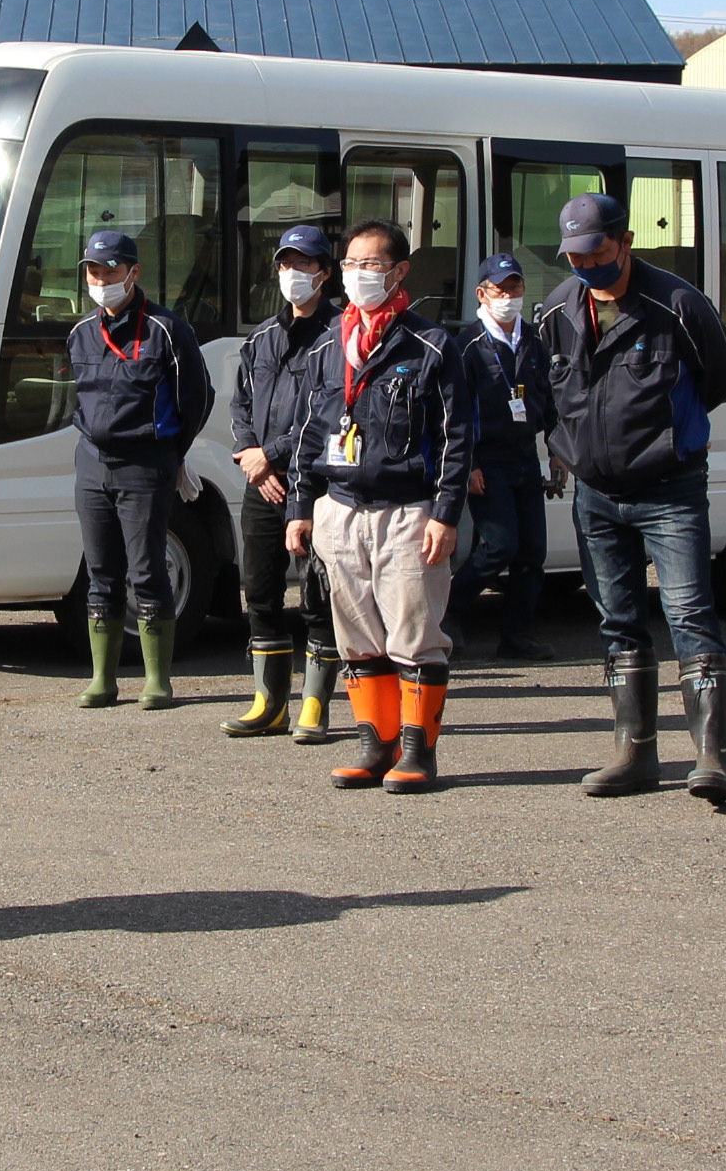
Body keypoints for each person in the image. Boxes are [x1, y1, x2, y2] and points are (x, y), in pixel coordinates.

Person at [538, 190, 726, 804]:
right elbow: (551, 391)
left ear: (625, 243)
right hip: (595, 494)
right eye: (574, 256)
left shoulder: (678, 304)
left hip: (670, 490)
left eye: (596, 252)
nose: (585, 265)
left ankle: (712, 756)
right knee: (616, 619)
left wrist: (668, 433)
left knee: (688, 612)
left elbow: (723, 378)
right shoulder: (558, 309)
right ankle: (634, 753)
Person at [284, 218, 469, 790]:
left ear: (399, 272)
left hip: (409, 511)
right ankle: (375, 744)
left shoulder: (432, 346)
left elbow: (456, 437)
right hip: (341, 511)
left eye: (373, 265)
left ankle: (418, 752)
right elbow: (308, 434)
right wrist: (300, 507)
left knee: (414, 634)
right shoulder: (326, 346)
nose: (360, 275)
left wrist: (445, 512)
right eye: (352, 265)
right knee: (357, 636)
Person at [65, 226, 214, 713]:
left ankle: (157, 681)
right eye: (93, 269)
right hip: (92, 463)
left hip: (145, 463)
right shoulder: (80, 332)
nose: (101, 278)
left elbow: (198, 396)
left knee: (147, 570)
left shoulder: (167, 330)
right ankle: (102, 680)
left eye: (110, 269)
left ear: (134, 272)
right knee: (99, 572)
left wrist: (173, 451)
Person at [221, 223, 341, 739]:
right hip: (261, 484)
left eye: (306, 264)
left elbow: (328, 413)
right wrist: (252, 457)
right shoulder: (262, 339)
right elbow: (240, 404)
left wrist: (269, 457)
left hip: (316, 485)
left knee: (318, 595)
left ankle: (315, 704)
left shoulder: (340, 336)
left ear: (325, 273)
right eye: (287, 264)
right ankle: (269, 702)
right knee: (260, 590)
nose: (294, 274)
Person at [448, 253, 558, 663]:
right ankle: (450, 610)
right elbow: (456, 411)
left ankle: (517, 634)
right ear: (482, 293)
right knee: (498, 545)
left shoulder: (532, 341)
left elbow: (548, 401)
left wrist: (557, 450)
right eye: (500, 289)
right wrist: (470, 462)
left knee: (532, 552)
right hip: (488, 460)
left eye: (515, 287)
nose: (509, 296)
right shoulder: (469, 346)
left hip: (525, 457)